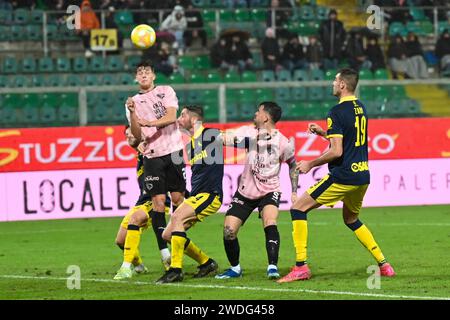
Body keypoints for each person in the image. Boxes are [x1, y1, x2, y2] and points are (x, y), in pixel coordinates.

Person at [277, 68, 395, 283]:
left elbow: (337, 151)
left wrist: (310, 164)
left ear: (342, 85)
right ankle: (384, 264)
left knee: (298, 208)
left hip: (343, 176)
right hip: (362, 175)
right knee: (351, 219)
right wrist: (324, 133)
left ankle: (301, 266)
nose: (332, 83)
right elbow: (348, 142)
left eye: (335, 80)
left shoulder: (336, 112)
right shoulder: (361, 108)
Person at [215, 102, 298, 280]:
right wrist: (208, 135)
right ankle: (235, 269)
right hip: (246, 191)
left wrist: (294, 191)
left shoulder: (283, 142)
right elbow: (226, 139)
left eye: (258, 111)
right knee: (229, 231)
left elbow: (293, 165)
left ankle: (272, 267)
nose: (255, 113)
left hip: (270, 190)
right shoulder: (250, 134)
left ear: (266, 117)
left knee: (270, 221)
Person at [126, 61, 186, 276]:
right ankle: (165, 253)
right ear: (136, 78)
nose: (143, 75)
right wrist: (133, 114)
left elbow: (171, 117)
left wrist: (148, 122)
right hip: (152, 156)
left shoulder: (166, 91)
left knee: (179, 200)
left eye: (147, 72)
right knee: (158, 203)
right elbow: (136, 134)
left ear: (153, 76)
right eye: (139, 72)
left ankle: (178, 241)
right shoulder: (132, 101)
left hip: (174, 151)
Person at [156, 106, 223, 284]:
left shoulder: (211, 135)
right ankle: (206, 262)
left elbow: (233, 138)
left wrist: (255, 140)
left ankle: (175, 270)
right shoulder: (191, 144)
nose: (179, 118)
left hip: (210, 195)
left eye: (182, 114)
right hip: (197, 196)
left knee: (177, 216)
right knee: (167, 235)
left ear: (193, 119)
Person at [113, 126, 171, 280]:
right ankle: (139, 266)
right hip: (142, 201)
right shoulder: (139, 155)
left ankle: (125, 268)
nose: (128, 137)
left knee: (136, 219)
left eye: (130, 133)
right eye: (125, 135)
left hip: (157, 199)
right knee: (120, 241)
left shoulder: (151, 148)